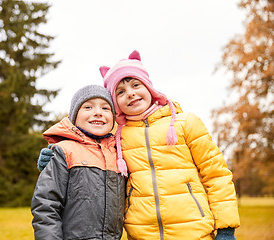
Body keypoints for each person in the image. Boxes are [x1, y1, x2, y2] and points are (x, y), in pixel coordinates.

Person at [38, 51, 240, 240]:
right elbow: (89, 151)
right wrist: (53, 156)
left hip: (193, 231)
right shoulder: (117, 138)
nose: (131, 94)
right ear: (116, 103)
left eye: (136, 85)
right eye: (120, 91)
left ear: (149, 87)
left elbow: (216, 175)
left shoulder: (185, 123)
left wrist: (226, 227)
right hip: (142, 234)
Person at [31, 85, 126, 240]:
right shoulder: (64, 151)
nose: (98, 112)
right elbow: (46, 205)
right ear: (74, 116)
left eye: (105, 108)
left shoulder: (119, 154)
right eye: (88, 107)